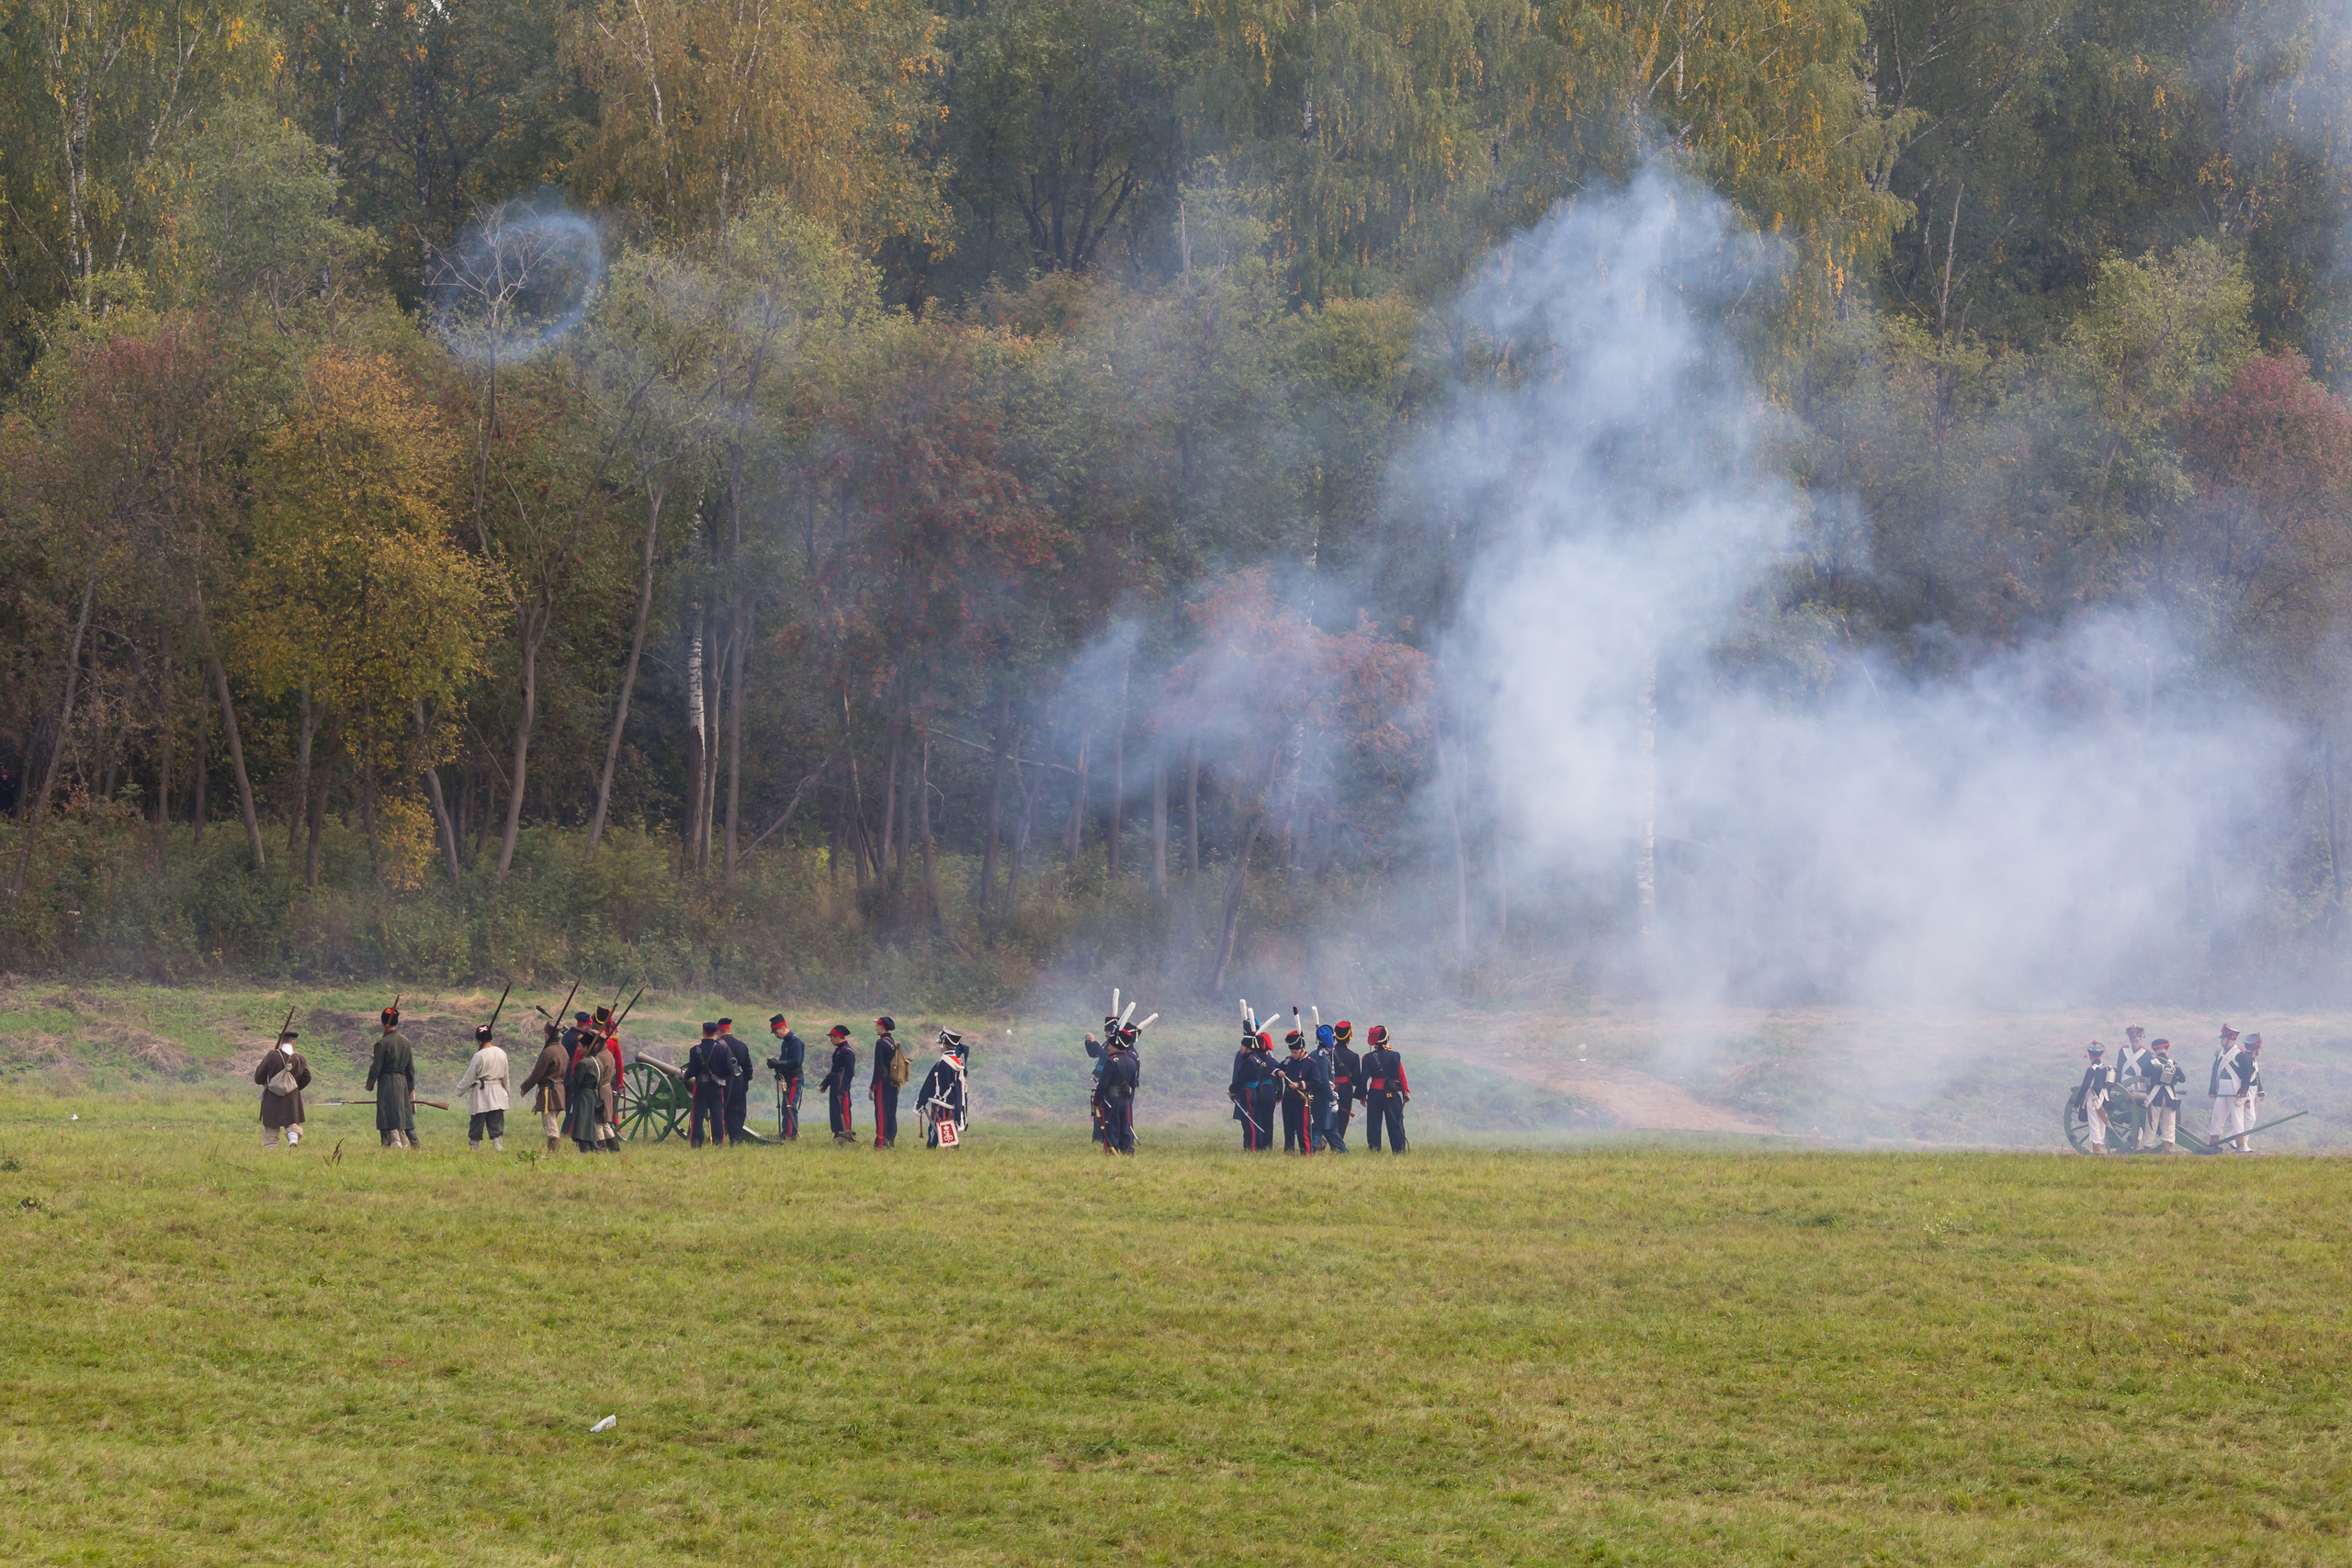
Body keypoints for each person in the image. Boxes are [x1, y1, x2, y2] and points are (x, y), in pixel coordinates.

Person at [366, 1005, 421, 1150]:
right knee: (404, 1113)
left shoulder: (382, 1043)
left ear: (383, 1023)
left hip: (387, 1082)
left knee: (385, 1114)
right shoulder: (406, 1042)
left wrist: (369, 1084)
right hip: (402, 1082)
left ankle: (387, 1145)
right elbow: (411, 1068)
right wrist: (410, 1086)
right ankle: (415, 1144)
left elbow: (376, 1067)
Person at [454, 1023, 511, 1152]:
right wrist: (507, 1091)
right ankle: (498, 1146)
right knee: (496, 1119)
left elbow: (469, 1077)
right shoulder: (502, 1053)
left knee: (477, 1121)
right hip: (497, 1090)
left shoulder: (479, 1056)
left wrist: (459, 1091)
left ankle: (474, 1147)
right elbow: (506, 1076)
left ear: (479, 1040)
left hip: (482, 1091)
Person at [254, 1027, 311, 1149]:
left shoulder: (272, 1055)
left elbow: (258, 1076)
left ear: (281, 1041)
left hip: (271, 1097)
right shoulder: (300, 1059)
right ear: (294, 1043)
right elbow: (307, 1077)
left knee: (271, 1125)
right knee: (292, 1122)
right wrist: (294, 1088)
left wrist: (267, 1083)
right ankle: (292, 1138)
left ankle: (271, 1151)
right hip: (292, 1097)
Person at [518, 1021, 571, 1153]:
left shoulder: (548, 1052)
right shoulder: (563, 1050)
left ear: (547, 1035)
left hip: (549, 1093)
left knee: (550, 1125)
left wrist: (525, 1088)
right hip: (559, 1090)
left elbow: (537, 1074)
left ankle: (553, 1152)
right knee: (553, 1122)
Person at [917, 1029, 972, 1147]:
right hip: (953, 1102)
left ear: (944, 1045)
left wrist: (921, 1101)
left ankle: (932, 1146)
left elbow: (931, 1083)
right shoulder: (957, 1062)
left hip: (942, 1102)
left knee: (937, 1124)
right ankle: (952, 1146)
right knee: (948, 1123)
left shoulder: (943, 1063)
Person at [1361, 1024, 1409, 1153]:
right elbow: (1401, 1075)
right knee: (1395, 1123)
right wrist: (1405, 1092)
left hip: (1375, 1093)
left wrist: (1362, 1095)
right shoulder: (1394, 1056)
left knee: (1373, 1124)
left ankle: (1374, 1150)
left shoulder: (1368, 1057)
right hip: (1391, 1093)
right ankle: (1399, 1151)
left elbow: (1364, 1078)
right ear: (1387, 1038)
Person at [563, 1032, 616, 1152]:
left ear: (587, 1047)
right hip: (594, 1094)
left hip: (584, 1096)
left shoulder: (583, 1064)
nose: (578, 1048)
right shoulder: (597, 1061)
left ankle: (586, 1148)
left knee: (582, 1123)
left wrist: (564, 1095)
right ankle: (594, 1146)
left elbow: (575, 1082)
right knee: (591, 1123)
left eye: (581, 1046)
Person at [1274, 1031, 1321, 1154]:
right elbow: (1275, 1067)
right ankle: (1288, 1151)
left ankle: (1306, 1152)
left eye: (1295, 1052)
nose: (1293, 1055)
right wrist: (1279, 1072)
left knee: (1302, 1128)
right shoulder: (1289, 1061)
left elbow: (1316, 1082)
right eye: (1291, 1052)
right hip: (1288, 1099)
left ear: (1302, 1050)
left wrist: (1300, 1085)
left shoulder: (1311, 1064)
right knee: (1288, 1127)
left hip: (1302, 1100)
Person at [685, 1022, 730, 1148]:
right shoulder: (722, 1049)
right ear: (715, 1033)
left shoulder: (695, 1050)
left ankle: (696, 1142)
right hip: (716, 1087)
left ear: (703, 1032)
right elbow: (728, 1070)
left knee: (697, 1116)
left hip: (700, 1086)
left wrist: (686, 1077)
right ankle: (718, 1142)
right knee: (717, 1115)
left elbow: (691, 1072)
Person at [1096, 1023, 1139, 1156]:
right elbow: (1132, 1084)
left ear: (1116, 1045)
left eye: (1110, 1044)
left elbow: (1103, 1084)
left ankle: (1112, 1151)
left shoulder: (1111, 1061)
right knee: (1125, 1126)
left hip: (1111, 1099)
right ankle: (1127, 1151)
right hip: (1125, 1099)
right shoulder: (1132, 1062)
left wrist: (1096, 1100)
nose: (1108, 1047)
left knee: (1112, 1126)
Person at [2142, 1037, 2188, 1151]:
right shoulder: (2173, 1064)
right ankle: (2166, 1149)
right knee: (2169, 1124)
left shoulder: (2151, 1063)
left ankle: (2147, 1147)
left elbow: (2144, 1074)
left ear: (2154, 1051)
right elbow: (2182, 1079)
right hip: (2169, 1098)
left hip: (2155, 1097)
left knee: (2151, 1123)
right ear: (2166, 1050)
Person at [767, 1015, 807, 1140]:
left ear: (783, 1028)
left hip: (794, 1079)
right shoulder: (786, 1043)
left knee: (790, 1106)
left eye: (776, 1032)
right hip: (787, 1078)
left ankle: (790, 1135)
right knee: (785, 1107)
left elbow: (795, 1062)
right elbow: (785, 1060)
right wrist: (777, 1066)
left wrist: (778, 1063)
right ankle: (787, 1132)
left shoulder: (796, 1042)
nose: (775, 1035)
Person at [2209, 1026, 2246, 1152]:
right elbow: (2215, 1071)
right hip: (2222, 1089)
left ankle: (2240, 1146)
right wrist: (2212, 1089)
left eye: (2223, 1038)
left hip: (2234, 1090)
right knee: (2217, 1116)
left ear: (2230, 1039)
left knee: (2237, 1118)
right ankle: (2213, 1144)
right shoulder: (2221, 1053)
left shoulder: (2239, 1054)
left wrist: (2243, 1090)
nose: (2221, 1041)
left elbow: (2247, 1073)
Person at [1326, 1021, 1362, 1153]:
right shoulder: (1354, 1056)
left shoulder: (1326, 1054)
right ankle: (1338, 1145)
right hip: (1345, 1089)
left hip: (1328, 1088)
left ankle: (1325, 1143)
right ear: (1349, 1035)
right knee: (1342, 1117)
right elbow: (1357, 1080)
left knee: (1327, 1115)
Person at [871, 1016, 906, 1148]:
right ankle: (890, 1139)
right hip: (893, 1083)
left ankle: (880, 1141)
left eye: (877, 1026)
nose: (876, 1028)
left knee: (881, 1111)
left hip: (882, 1083)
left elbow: (878, 1067)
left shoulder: (881, 1044)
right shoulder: (893, 1043)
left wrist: (873, 1086)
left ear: (882, 1027)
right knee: (891, 1111)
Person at [820, 1025, 858, 1144]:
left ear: (837, 1037)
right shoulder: (839, 1051)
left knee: (844, 1111)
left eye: (831, 1037)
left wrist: (843, 1090)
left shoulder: (847, 1052)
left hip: (842, 1085)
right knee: (835, 1111)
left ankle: (846, 1135)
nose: (830, 1040)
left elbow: (848, 1073)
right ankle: (837, 1134)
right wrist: (825, 1083)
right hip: (835, 1083)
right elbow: (834, 1070)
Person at [2075, 1041, 2115, 1154]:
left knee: (2094, 1122)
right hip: (2104, 1097)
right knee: (2102, 1121)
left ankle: (2097, 1148)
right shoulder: (2106, 1068)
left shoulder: (2091, 1069)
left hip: (2093, 1099)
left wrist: (2076, 1102)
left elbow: (2085, 1087)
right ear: (2102, 1054)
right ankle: (2100, 1145)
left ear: (2089, 1055)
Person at [719, 1019, 754, 1144]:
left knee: (720, 1110)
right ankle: (736, 1139)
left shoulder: (717, 1045)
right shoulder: (741, 1045)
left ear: (719, 1031)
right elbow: (748, 1069)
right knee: (738, 1112)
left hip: (721, 1082)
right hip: (738, 1081)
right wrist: (745, 1082)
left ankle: (719, 1139)